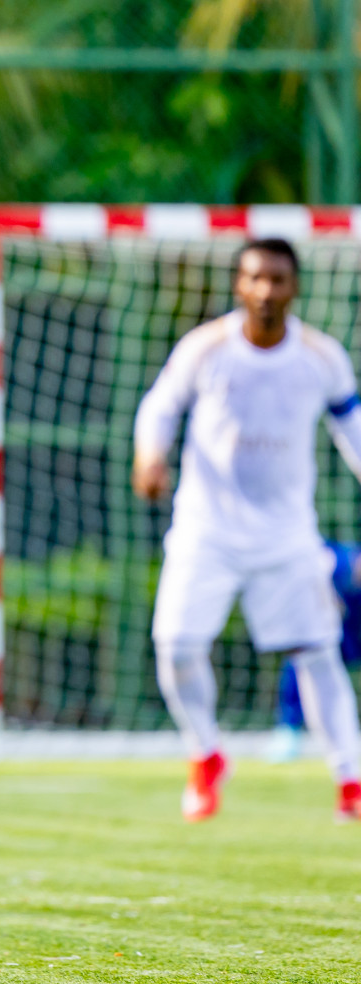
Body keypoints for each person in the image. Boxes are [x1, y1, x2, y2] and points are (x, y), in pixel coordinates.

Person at [133, 238, 361, 823]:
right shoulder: (206, 348)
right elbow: (160, 406)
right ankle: (206, 754)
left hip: (286, 536)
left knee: (317, 653)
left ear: (294, 287)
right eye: (255, 278)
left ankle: (351, 780)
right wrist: (150, 456)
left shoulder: (321, 357)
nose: (266, 291)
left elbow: (351, 428)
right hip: (205, 530)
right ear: (239, 285)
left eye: (278, 280)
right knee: (176, 647)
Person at [267, 540, 361, 764]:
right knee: (302, 655)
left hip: (354, 637)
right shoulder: (331, 561)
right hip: (332, 634)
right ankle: (288, 731)